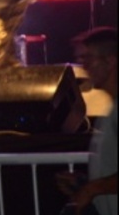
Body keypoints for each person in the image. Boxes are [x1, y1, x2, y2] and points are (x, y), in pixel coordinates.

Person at [57, 27, 117, 215]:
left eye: (88, 59)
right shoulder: (111, 110)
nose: (84, 67)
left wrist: (92, 189)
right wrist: (83, 182)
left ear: (110, 61)